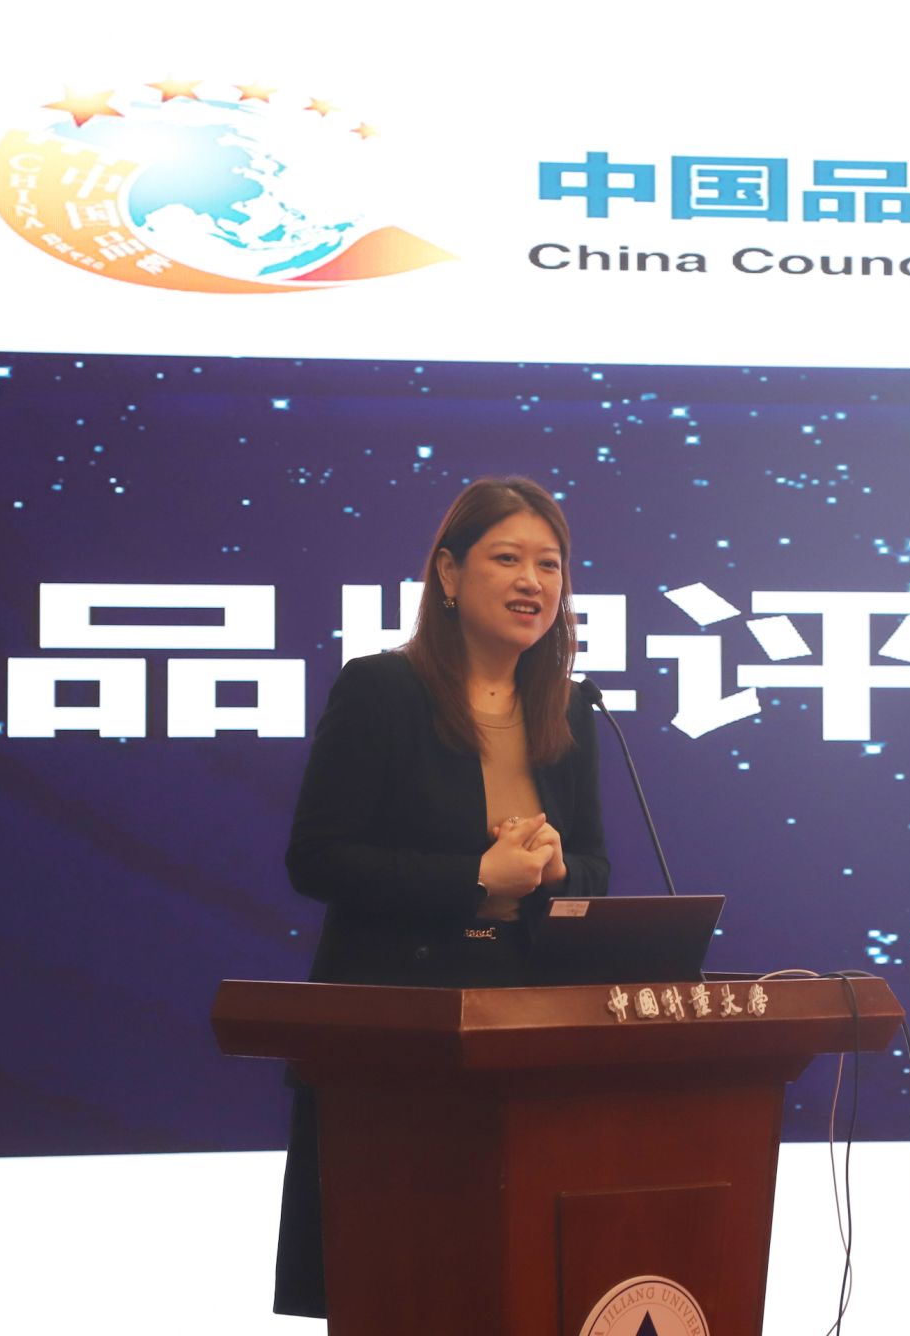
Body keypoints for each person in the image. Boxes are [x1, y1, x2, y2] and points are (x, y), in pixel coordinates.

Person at [272, 476, 610, 1319]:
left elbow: (597, 865)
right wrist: (475, 880)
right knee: (402, 1285)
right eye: (508, 559)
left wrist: (558, 871)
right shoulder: (383, 690)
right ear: (450, 575)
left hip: (527, 1025)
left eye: (550, 565)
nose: (533, 582)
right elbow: (318, 858)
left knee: (520, 1284)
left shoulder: (571, 707)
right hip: (399, 1032)